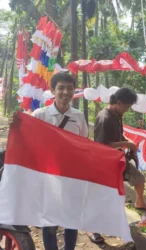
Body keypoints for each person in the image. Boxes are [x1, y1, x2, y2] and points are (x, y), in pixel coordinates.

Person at [10, 72, 88, 250]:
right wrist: (16, 125)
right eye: (61, 88)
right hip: (47, 179)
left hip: (71, 178)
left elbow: (84, 146)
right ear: (53, 90)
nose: (66, 92)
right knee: (50, 221)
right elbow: (26, 141)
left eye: (70, 88)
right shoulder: (40, 115)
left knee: (71, 220)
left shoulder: (79, 117)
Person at [89, 88, 146, 244]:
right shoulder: (105, 118)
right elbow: (103, 145)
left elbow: (118, 134)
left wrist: (127, 142)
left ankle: (139, 202)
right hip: (103, 161)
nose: (127, 110)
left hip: (117, 157)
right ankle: (93, 228)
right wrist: (125, 143)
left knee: (138, 178)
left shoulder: (117, 115)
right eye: (127, 107)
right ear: (118, 103)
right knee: (102, 196)